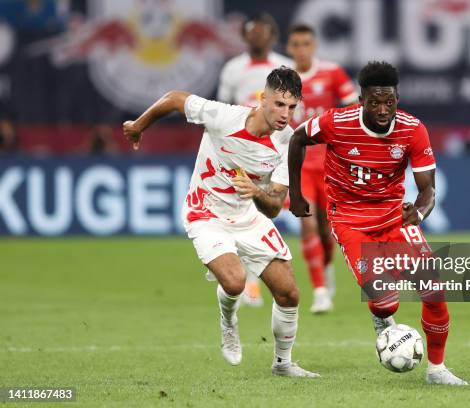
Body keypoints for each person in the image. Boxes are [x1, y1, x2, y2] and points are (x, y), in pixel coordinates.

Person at [123, 67, 319, 378]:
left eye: (292, 107)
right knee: (234, 281)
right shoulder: (223, 116)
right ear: (262, 98)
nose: (285, 114)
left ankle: (283, 364)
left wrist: (256, 191)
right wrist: (139, 125)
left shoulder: (288, 143)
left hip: (249, 217)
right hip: (207, 214)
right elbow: (175, 99)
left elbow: (274, 207)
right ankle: (228, 322)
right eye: (279, 104)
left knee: (289, 293)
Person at [288, 61, 467, 385]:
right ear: (361, 101)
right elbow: (297, 139)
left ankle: (437, 370)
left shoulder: (413, 129)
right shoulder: (336, 123)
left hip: (393, 219)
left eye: (389, 101)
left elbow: (427, 190)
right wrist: (296, 193)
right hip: (350, 222)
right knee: (386, 303)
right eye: (374, 102)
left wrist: (421, 212)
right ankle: (380, 313)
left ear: (397, 97)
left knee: (434, 291)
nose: (383, 109)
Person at [217, 13, 293, 306]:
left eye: (262, 33)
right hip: (240, 146)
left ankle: (250, 280)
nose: (257, 37)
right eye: (252, 33)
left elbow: (292, 106)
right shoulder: (232, 69)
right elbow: (222, 106)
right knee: (241, 209)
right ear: (245, 36)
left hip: (273, 148)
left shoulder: (282, 67)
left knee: (265, 207)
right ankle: (244, 280)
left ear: (272, 36)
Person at [286, 23, 358, 314]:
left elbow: (355, 108)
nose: (301, 49)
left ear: (313, 46)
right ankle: (319, 292)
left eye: (306, 43)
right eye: (296, 44)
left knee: (328, 231)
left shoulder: (332, 72)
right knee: (307, 223)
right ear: (289, 48)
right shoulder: (282, 78)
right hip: (299, 163)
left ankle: (326, 270)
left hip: (330, 165)